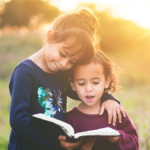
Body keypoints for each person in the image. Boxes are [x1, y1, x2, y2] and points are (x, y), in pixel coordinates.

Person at [8, 8, 125, 150]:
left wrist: (108, 98)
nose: (65, 64)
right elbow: (18, 120)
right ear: (50, 36)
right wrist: (54, 142)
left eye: (72, 61)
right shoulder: (26, 72)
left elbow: (83, 92)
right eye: (63, 54)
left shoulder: (61, 71)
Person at [67, 50, 139, 150]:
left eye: (95, 82)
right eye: (81, 83)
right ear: (72, 84)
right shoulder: (69, 119)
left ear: (107, 81)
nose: (88, 89)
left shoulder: (115, 111)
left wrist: (117, 138)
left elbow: (134, 143)